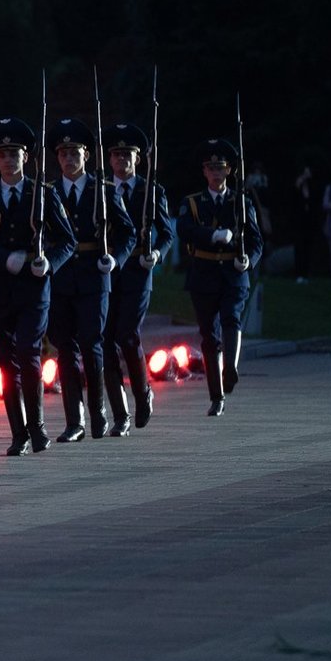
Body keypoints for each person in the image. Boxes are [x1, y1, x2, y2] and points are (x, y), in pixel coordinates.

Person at [0, 117, 75, 456]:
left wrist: (49, 263)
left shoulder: (42, 194)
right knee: (6, 361)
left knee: (29, 354)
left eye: (15, 154)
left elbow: (67, 241)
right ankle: (19, 433)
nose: (9, 160)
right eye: (3, 154)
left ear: (26, 158)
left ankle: (37, 426)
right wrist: (3, 258)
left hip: (33, 287)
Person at [42, 118, 133, 443]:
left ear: (86, 156)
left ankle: (98, 413)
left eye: (75, 152)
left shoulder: (103, 190)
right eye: (63, 153)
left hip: (95, 276)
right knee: (65, 349)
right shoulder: (48, 193)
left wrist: (115, 259)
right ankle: (74, 420)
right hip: (62, 277)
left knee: (93, 346)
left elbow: (128, 234)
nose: (69, 158)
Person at [175, 139, 263, 416]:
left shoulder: (241, 202)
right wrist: (211, 235)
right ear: (204, 172)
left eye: (220, 168)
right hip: (204, 274)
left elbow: (256, 241)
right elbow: (184, 229)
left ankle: (231, 367)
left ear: (228, 171)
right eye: (211, 168)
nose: (215, 173)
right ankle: (217, 395)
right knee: (209, 336)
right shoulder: (192, 203)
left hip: (233, 274)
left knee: (231, 318)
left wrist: (248, 259)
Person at [102, 122, 176, 431]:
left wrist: (156, 254)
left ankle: (142, 392)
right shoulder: (101, 190)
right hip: (107, 272)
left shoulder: (150, 191)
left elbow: (167, 234)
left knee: (126, 335)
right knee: (104, 340)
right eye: (116, 155)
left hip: (137, 269)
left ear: (138, 159)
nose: (122, 161)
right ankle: (120, 415)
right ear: (109, 159)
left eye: (127, 155)